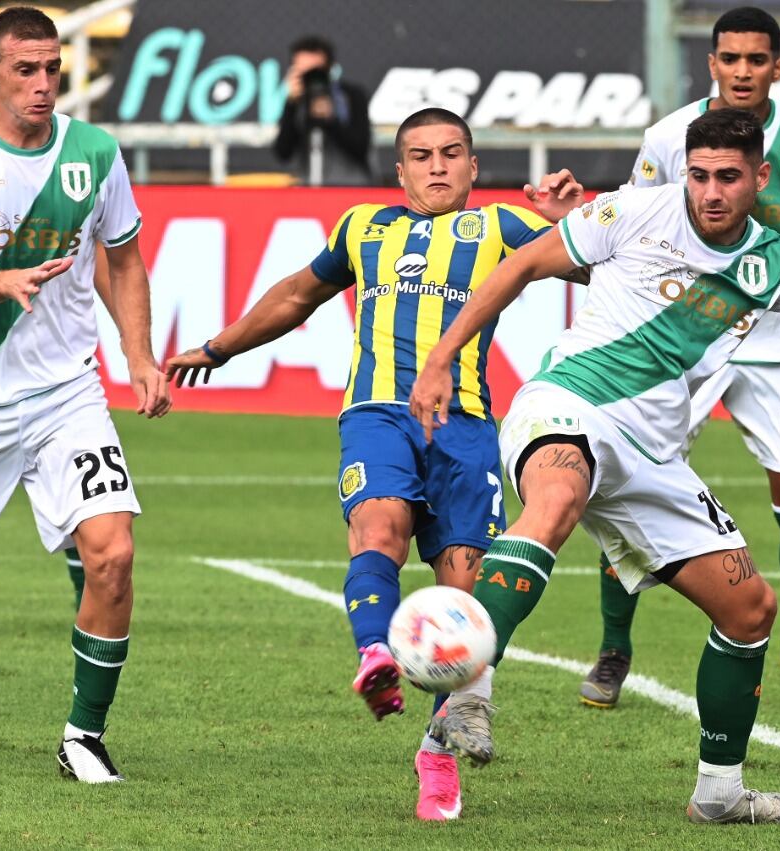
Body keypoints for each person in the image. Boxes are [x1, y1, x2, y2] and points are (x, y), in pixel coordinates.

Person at [410, 107, 780, 824]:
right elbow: (524, 265)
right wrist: (441, 359)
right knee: (554, 496)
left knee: (750, 610)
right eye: (700, 174)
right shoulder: (632, 211)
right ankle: (467, 689)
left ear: (761, 178)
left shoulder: (779, 263)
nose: (710, 192)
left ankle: (719, 792)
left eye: (728, 177)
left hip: (653, 451)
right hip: (570, 403)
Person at [166, 107, 583, 821]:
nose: (438, 166)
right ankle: (374, 655)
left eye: (453, 153)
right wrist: (220, 346)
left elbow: (599, 259)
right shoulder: (363, 226)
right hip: (377, 414)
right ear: (400, 169)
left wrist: (568, 221)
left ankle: (436, 749)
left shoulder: (501, 229)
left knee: (465, 592)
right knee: (379, 528)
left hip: (466, 424)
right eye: (421, 155)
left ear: (474, 166)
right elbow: (299, 293)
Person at [0, 8, 170, 785]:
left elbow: (125, 259)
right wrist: (2, 280)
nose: (42, 84)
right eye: (24, 69)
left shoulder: (95, 153)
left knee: (112, 553)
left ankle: (83, 734)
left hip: (64, 395)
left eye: (52, 69)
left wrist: (138, 355)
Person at [580, 6, 780, 714]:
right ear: (711, 64)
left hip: (775, 340)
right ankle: (614, 647)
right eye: (730, 58)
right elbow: (635, 227)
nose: (742, 70)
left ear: (779, 66)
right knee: (626, 480)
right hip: (686, 339)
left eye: (756, 59)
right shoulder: (667, 136)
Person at [272, 35, 372, 186]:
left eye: (315, 72)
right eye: (303, 72)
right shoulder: (296, 102)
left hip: (351, 188)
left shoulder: (350, 96)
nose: (310, 78)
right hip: (308, 189)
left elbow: (361, 147)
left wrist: (330, 118)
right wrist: (291, 105)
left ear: (330, 68)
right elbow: (283, 152)